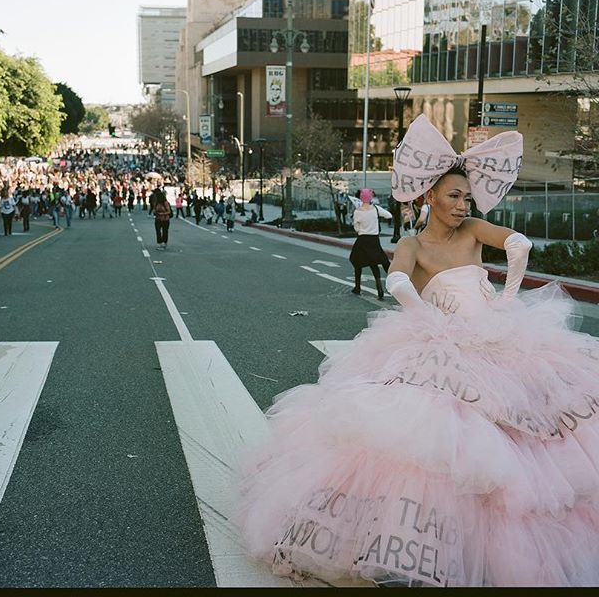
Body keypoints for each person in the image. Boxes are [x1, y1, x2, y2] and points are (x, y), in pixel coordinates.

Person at [233, 114, 599, 587]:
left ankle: (499, 548)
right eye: (454, 195)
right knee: (440, 442)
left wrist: (507, 300)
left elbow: (519, 243)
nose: (462, 204)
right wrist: (422, 311)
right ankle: (431, 545)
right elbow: (399, 278)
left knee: (530, 430)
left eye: (467, 196)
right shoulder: (412, 242)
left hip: (502, 337)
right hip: (442, 345)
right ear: (430, 197)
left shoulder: (472, 232)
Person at [348, 188, 392, 300]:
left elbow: (356, 228)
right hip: (374, 240)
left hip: (362, 240)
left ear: (361, 198)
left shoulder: (357, 211)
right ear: (371, 198)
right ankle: (379, 288)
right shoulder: (376, 209)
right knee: (374, 262)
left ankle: (357, 287)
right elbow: (389, 215)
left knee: (356, 261)